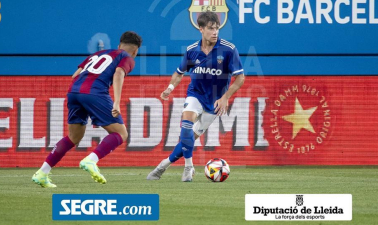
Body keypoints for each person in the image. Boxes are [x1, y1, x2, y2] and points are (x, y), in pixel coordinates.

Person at [32, 31, 142, 188]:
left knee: (73, 137)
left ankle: (42, 173)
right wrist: (117, 101)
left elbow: (75, 75)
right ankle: (92, 159)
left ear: (119, 45)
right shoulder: (127, 58)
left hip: (73, 92)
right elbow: (118, 73)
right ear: (136, 50)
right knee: (121, 133)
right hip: (94, 93)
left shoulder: (98, 53)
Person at [147, 11, 245, 182]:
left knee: (190, 139)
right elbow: (179, 73)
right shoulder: (192, 51)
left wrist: (225, 97)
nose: (215, 32)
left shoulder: (228, 49)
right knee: (185, 127)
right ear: (201, 29)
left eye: (217, 28)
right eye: (210, 28)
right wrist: (170, 87)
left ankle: (163, 165)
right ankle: (188, 167)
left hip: (214, 102)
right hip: (195, 95)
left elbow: (240, 78)